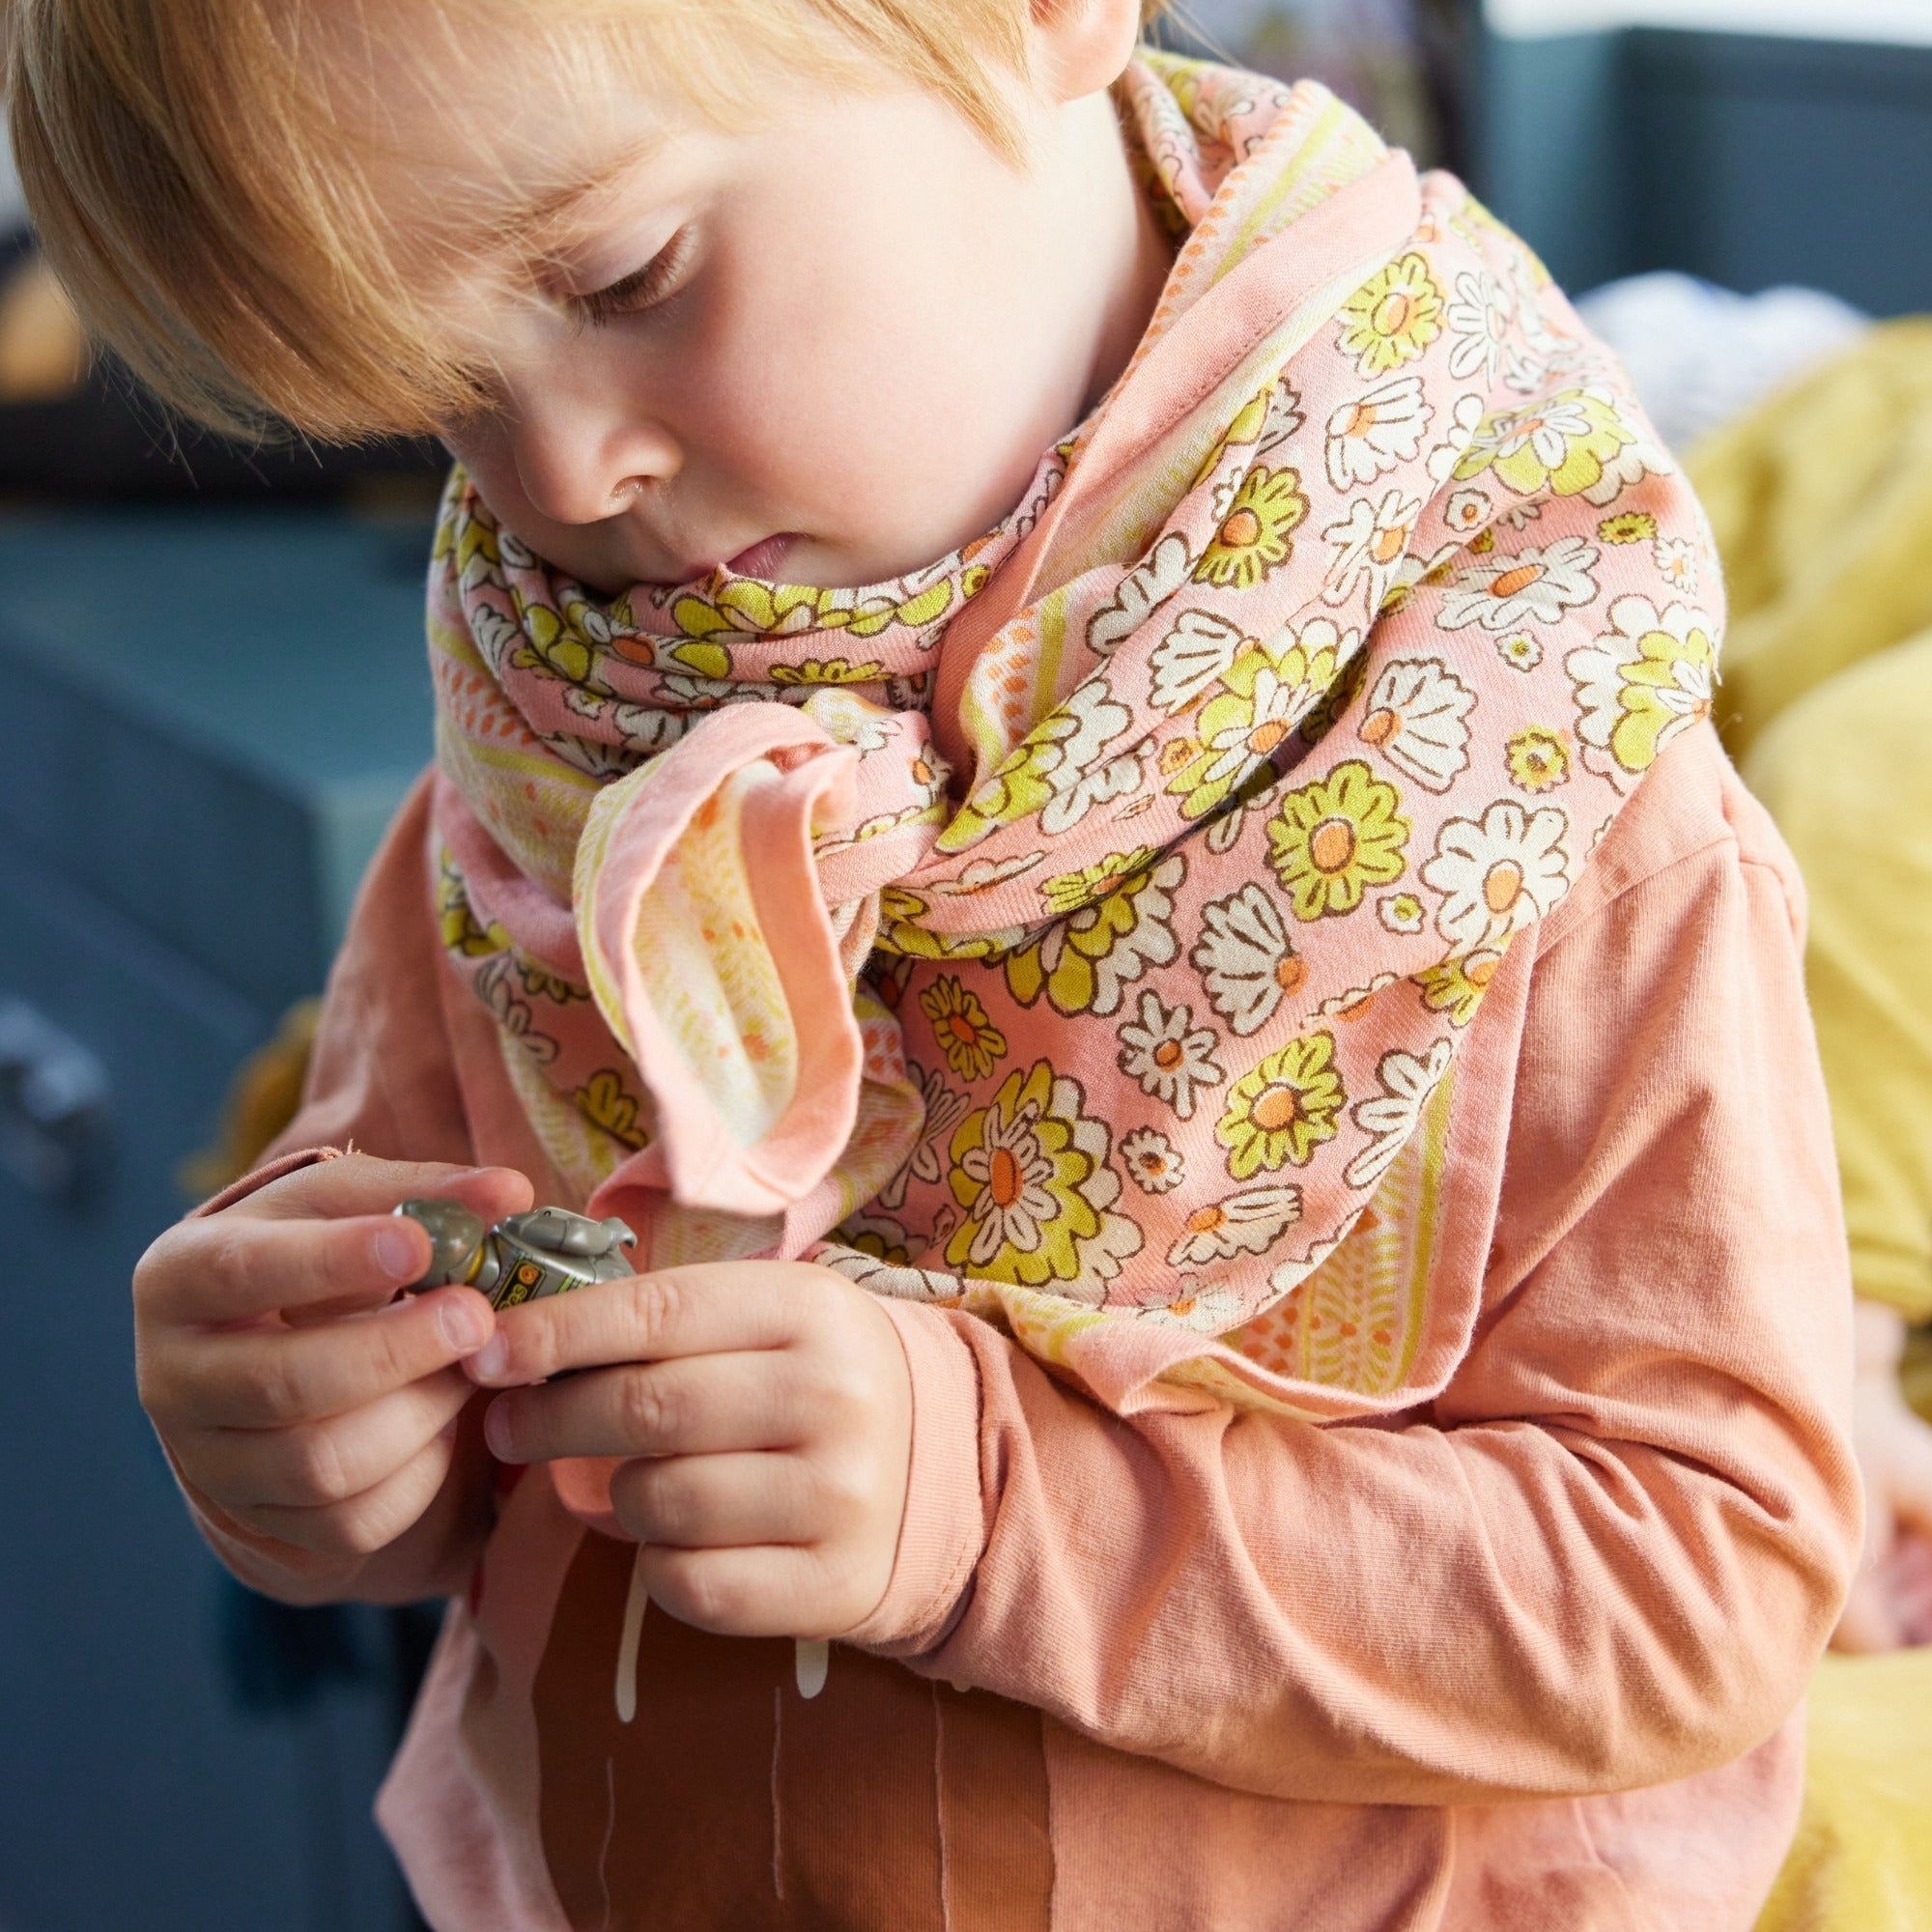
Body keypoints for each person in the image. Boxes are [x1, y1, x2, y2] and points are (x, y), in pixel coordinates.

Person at [11, 1, 1860, 1925]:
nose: (561, 476)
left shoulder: (1525, 775)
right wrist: (316, 1441)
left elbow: (1692, 1583)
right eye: (440, 392)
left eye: (627, 276)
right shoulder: (561, 753)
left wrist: (984, 1507)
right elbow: (467, 1455)